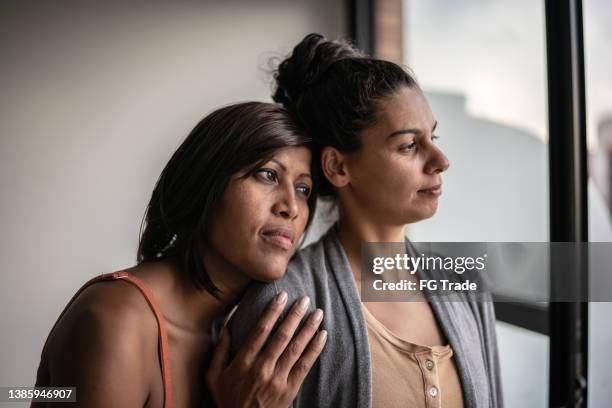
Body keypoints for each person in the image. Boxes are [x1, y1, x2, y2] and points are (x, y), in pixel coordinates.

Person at [229, 34, 503, 407]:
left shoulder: (465, 284)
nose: (440, 159)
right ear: (338, 167)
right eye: (409, 145)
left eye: (433, 137)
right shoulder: (283, 306)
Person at [33, 102, 328, 407]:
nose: (291, 207)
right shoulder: (117, 321)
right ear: (205, 182)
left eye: (304, 189)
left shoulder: (236, 340)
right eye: (268, 175)